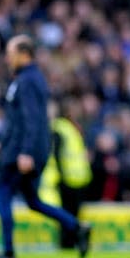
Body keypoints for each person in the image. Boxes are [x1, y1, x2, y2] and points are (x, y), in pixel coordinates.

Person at [0, 34, 91, 258]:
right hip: (20, 148)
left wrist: (26, 152)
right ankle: (77, 226)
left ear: (24, 54)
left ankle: (8, 251)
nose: (7, 58)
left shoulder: (28, 81)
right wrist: (0, 143)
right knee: (32, 201)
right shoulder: (27, 78)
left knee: (3, 192)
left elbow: (32, 119)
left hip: (21, 152)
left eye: (10, 53)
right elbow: (17, 120)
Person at [39, 98, 93, 249]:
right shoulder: (60, 128)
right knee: (67, 214)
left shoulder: (72, 128)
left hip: (77, 179)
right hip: (67, 179)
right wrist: (61, 176)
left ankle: (73, 242)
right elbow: (57, 154)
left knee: (73, 214)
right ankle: (66, 244)